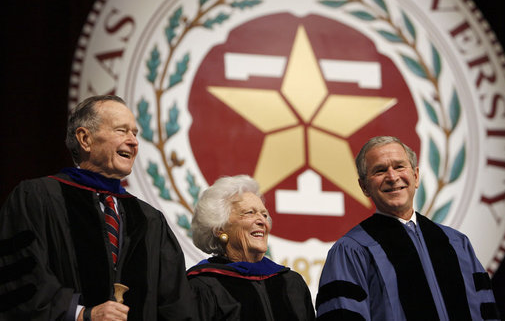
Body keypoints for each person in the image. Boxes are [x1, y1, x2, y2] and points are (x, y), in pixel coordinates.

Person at [0, 95, 195, 320]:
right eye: (122, 131)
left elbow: (175, 305)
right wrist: (82, 314)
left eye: (135, 133)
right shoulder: (36, 198)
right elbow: (21, 281)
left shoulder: (149, 219)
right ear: (85, 139)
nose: (133, 142)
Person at [316, 136, 500, 321]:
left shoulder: (456, 243)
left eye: (399, 167)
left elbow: (487, 313)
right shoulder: (351, 251)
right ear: (364, 187)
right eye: (380, 170)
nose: (392, 177)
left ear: (416, 176)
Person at [186, 175, 315, 320]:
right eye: (250, 213)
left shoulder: (291, 284)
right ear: (219, 228)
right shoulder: (203, 286)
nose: (262, 221)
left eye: (265, 215)